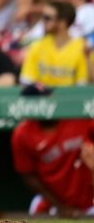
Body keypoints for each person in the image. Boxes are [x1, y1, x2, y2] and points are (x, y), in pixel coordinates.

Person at [11, 85, 94, 218]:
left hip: (90, 202)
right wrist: (60, 207)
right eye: (45, 100)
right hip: (51, 204)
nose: (52, 102)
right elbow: (28, 175)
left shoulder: (79, 117)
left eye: (50, 97)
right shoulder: (22, 133)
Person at [20, 1, 89, 87]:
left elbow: (82, 86)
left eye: (47, 18)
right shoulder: (37, 46)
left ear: (63, 22)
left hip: (70, 99)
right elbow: (27, 81)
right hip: (42, 98)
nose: (43, 21)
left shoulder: (82, 48)